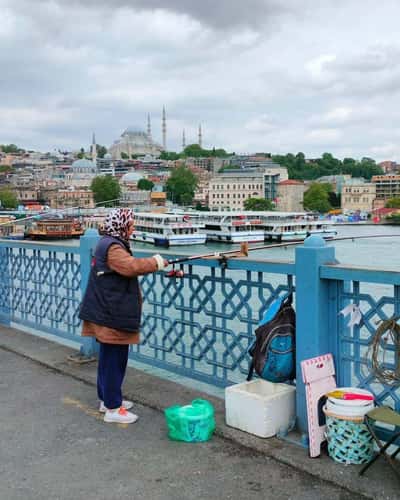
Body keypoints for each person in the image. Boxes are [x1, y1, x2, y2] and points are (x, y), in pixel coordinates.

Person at [79, 208, 168, 424]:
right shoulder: (112, 247)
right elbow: (130, 267)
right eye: (131, 224)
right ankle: (112, 408)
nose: (133, 227)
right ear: (121, 225)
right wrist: (156, 262)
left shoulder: (107, 242)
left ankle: (107, 399)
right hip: (111, 313)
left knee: (110, 358)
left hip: (106, 309)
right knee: (114, 361)